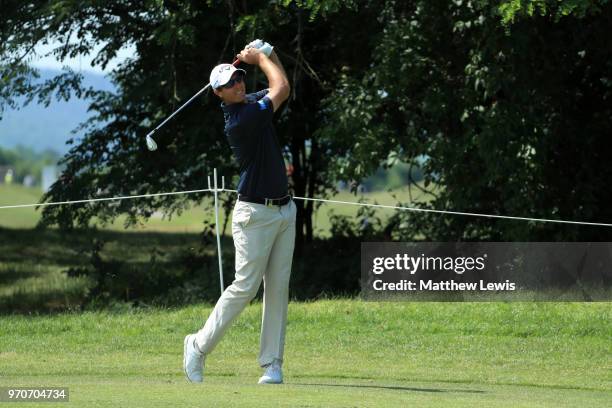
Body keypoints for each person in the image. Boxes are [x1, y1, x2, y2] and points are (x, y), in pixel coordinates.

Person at [183, 40, 296, 385]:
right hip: (254, 214)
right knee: (245, 287)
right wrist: (261, 57)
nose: (239, 84)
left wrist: (270, 52)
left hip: (283, 210)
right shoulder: (241, 119)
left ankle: (272, 364)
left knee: (277, 288)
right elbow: (281, 87)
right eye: (231, 83)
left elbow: (280, 86)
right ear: (219, 94)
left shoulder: (248, 102)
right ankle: (198, 346)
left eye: (239, 78)